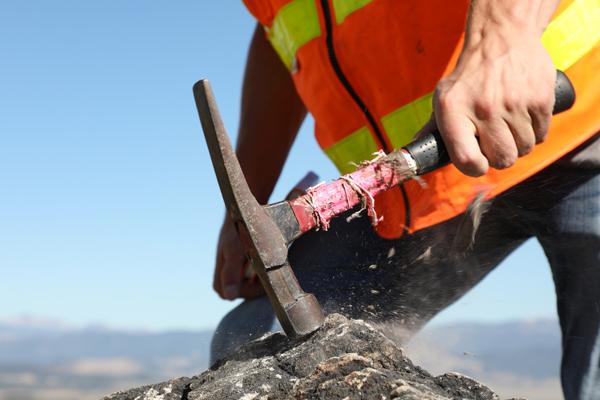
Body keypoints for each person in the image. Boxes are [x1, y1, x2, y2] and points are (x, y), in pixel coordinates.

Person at [209, 1, 600, 398]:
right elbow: (282, 37)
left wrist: (498, 42)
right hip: (421, 187)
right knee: (252, 341)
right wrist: (246, 207)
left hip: (584, 118)